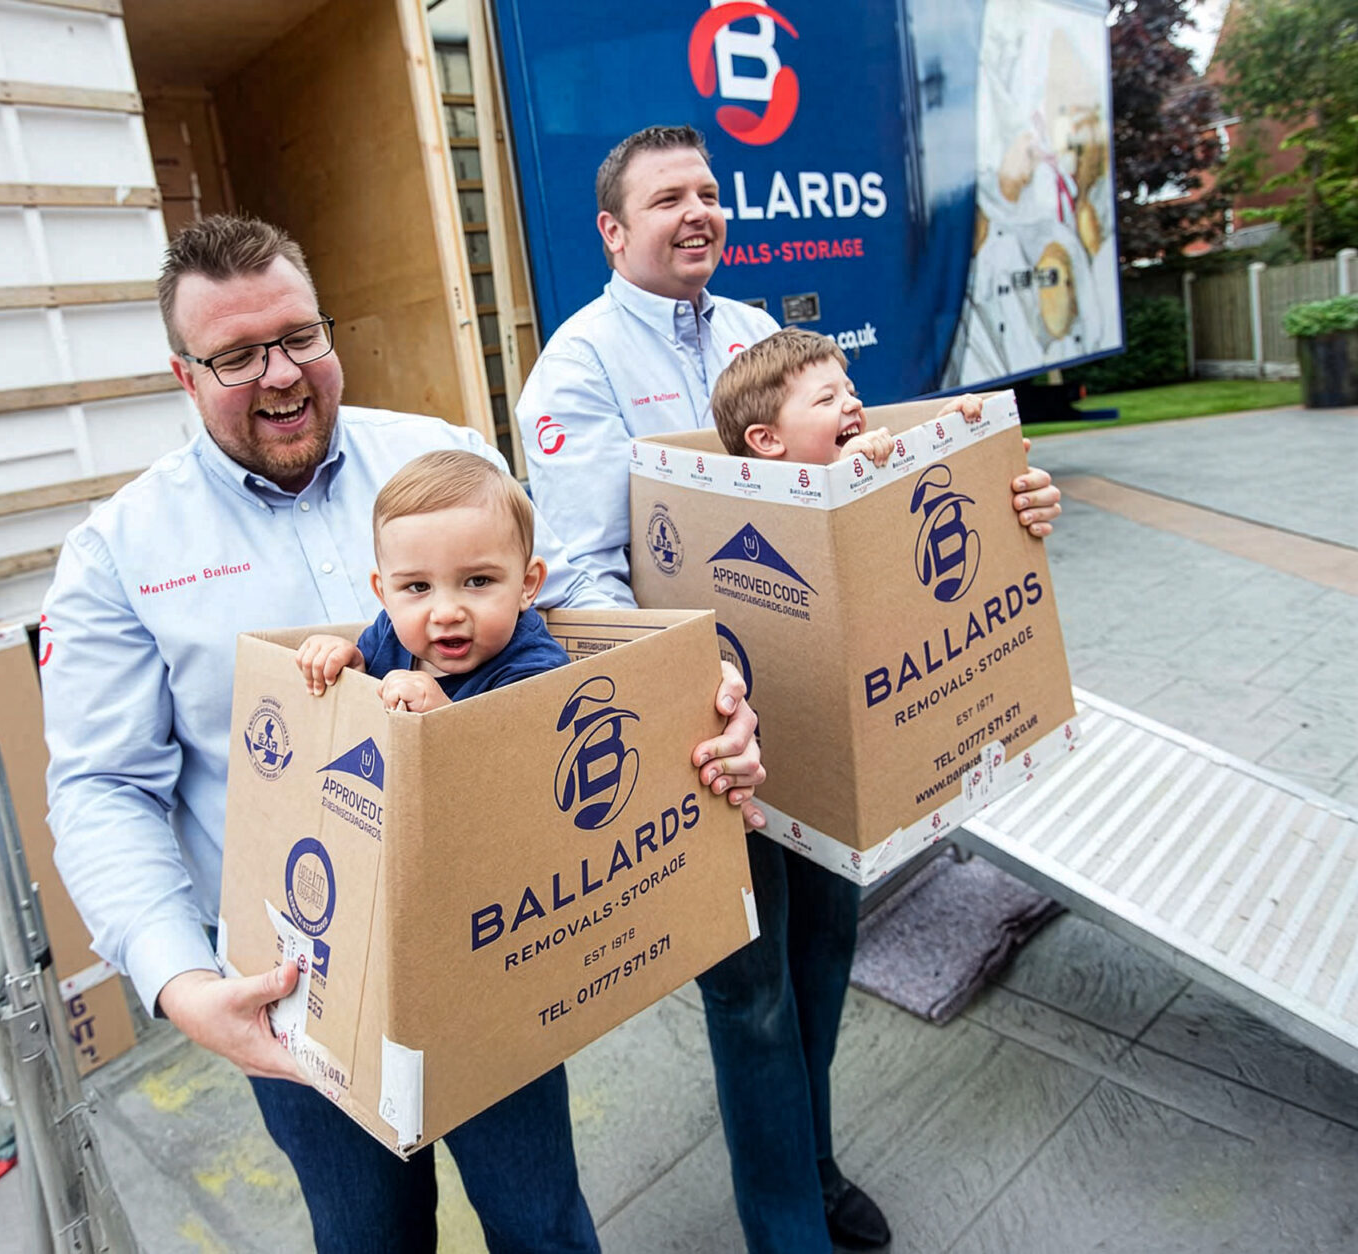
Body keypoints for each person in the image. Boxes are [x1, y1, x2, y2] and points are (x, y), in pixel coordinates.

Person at [40, 213, 765, 1254]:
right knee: (369, 1237)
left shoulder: (445, 456)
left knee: (543, 1222)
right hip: (294, 986)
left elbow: (571, 614)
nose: (279, 374)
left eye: (298, 336)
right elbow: (103, 790)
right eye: (236, 356)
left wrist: (706, 693)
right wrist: (182, 983)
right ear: (183, 374)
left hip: (498, 942)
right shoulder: (118, 551)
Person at [515, 126, 1062, 1254]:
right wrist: (694, 685)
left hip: (821, 711)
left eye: (710, 191)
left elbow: (853, 483)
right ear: (614, 232)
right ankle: (785, 1227)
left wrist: (1000, 493)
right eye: (668, 198)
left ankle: (810, 1163)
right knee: (750, 993)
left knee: (822, 952)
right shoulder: (577, 368)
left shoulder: (757, 333)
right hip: (707, 730)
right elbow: (576, 574)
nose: (699, 211)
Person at [293, 449, 569, 711]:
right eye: (418, 587)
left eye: (478, 581)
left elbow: (527, 751)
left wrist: (442, 720)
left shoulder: (536, 670)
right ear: (384, 594)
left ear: (527, 584)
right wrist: (350, 666)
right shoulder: (387, 634)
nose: (447, 613)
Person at [714, 327, 986, 464]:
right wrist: (845, 483)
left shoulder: (874, 463)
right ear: (768, 438)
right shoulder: (765, 515)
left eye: (851, 392)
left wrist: (946, 434)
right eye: (826, 399)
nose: (854, 403)